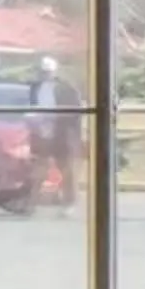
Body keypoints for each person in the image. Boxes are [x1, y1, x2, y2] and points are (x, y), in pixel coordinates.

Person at [30, 56, 83, 206]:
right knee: (39, 168)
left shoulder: (66, 88)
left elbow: (74, 112)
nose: (44, 75)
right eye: (42, 72)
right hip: (41, 133)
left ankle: (69, 201)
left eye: (47, 72)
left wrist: (57, 120)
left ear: (54, 71)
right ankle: (33, 201)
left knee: (67, 169)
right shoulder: (35, 87)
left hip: (62, 134)